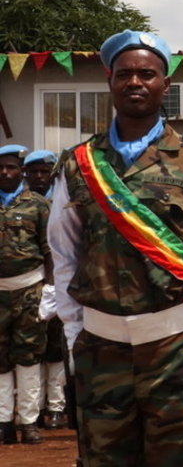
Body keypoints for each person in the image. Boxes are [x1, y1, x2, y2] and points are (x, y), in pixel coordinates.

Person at [47, 30, 183, 466]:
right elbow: (64, 255)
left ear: (165, 85)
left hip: (174, 349)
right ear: (110, 81)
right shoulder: (77, 164)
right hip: (99, 350)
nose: (135, 82)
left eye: (147, 74)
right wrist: (75, 336)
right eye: (125, 74)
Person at [0, 145, 51, 445]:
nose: (5, 172)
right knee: (0, 358)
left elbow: (51, 249)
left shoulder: (38, 205)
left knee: (29, 356)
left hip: (30, 288)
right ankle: (4, 420)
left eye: (10, 167)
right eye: (0, 168)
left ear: (21, 171)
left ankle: (29, 421)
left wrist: (52, 290)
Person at [23, 149, 68, 430]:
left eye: (44, 172)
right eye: (34, 172)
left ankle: (56, 406)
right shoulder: (23, 203)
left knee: (56, 347)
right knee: (32, 348)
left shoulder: (62, 200)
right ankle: (36, 407)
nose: (39, 177)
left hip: (60, 283)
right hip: (28, 285)